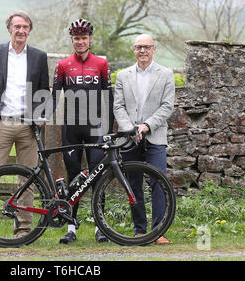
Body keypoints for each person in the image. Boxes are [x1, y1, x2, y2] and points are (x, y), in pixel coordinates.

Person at [0, 10, 50, 245]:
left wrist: (42, 114)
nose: (21, 31)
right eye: (17, 27)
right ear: (10, 29)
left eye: (25, 27)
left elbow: (45, 89)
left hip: (28, 127)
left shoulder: (38, 56)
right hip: (1, 124)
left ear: (29, 30)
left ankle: (23, 230)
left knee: (27, 180)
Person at [52, 18, 114, 244]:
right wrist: (41, 116)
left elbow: (109, 99)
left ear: (90, 39)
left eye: (84, 38)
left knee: (98, 178)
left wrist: (108, 131)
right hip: (71, 128)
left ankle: (100, 227)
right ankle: (71, 228)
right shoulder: (62, 65)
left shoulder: (101, 64)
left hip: (96, 128)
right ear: (72, 39)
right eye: (76, 38)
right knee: (74, 179)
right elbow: (53, 97)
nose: (80, 41)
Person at [113, 34, 175, 245]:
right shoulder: (123, 76)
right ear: (133, 50)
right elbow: (118, 107)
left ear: (154, 49)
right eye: (139, 47)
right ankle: (140, 231)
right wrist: (130, 128)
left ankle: (158, 232)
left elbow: (167, 106)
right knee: (133, 184)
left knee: (159, 181)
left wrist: (147, 126)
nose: (142, 51)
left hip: (155, 136)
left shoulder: (166, 74)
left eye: (146, 47)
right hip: (131, 138)